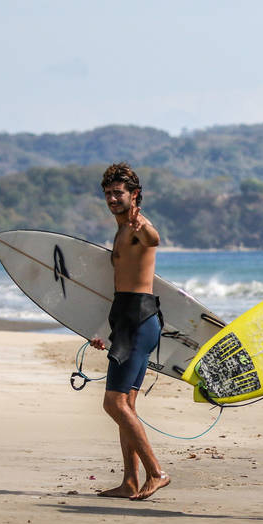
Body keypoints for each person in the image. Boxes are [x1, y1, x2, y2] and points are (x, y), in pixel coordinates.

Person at [90, 162, 170, 500]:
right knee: (127, 406)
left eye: (118, 193)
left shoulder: (138, 227)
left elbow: (153, 239)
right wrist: (100, 328)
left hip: (138, 319)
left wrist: (144, 225)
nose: (112, 198)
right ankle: (129, 481)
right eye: (108, 193)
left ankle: (157, 472)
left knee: (113, 403)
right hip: (128, 318)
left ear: (133, 195)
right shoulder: (122, 229)